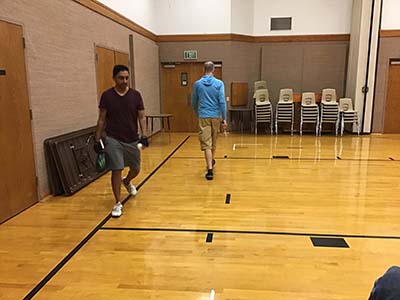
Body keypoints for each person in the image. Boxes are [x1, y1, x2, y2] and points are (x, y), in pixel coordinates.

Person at [95, 64, 148, 217]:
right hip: (112, 138)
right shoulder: (107, 96)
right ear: (114, 78)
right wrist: (97, 139)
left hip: (132, 139)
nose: (124, 81)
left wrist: (144, 136)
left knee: (136, 169)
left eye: (126, 78)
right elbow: (101, 119)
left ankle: (128, 181)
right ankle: (117, 203)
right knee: (117, 169)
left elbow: (142, 117)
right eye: (121, 78)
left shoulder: (136, 95)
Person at [192, 61, 227, 180]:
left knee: (206, 143)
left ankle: (210, 169)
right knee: (213, 140)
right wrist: (224, 118)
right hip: (216, 116)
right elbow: (222, 101)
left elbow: (194, 101)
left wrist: (198, 113)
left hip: (203, 116)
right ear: (213, 70)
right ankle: (211, 161)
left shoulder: (197, 84)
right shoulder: (219, 84)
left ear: (204, 69)